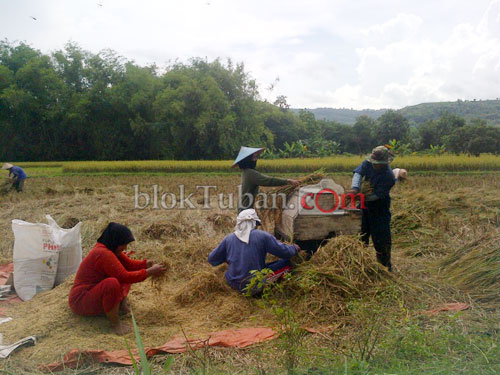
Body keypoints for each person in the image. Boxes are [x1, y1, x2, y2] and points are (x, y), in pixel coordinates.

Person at [68, 223, 166, 335]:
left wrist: (146, 264)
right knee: (112, 282)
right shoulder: (103, 253)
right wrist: (150, 272)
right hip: (81, 300)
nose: (125, 248)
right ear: (115, 240)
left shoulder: (110, 247)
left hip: (92, 291)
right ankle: (115, 324)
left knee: (120, 273)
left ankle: (120, 305)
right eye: (123, 244)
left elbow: (129, 264)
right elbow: (125, 276)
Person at [208, 209, 300, 295]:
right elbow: (284, 252)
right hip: (253, 286)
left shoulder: (229, 238)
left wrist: (228, 258)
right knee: (286, 263)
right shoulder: (262, 236)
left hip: (233, 284)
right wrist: (295, 248)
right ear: (254, 223)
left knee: (264, 267)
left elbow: (212, 259)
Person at [347, 146, 396, 271]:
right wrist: (355, 188)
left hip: (379, 210)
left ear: (385, 163)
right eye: (374, 163)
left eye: (378, 164)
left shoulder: (388, 177)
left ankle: (385, 268)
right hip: (363, 208)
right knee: (360, 238)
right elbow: (358, 173)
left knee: (381, 241)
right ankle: (360, 266)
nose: (375, 165)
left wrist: (361, 197)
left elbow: (376, 196)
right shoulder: (368, 163)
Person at [233, 146, 299, 212]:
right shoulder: (250, 173)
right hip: (245, 212)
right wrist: (287, 181)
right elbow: (268, 180)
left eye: (256, 157)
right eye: (254, 157)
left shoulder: (246, 172)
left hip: (244, 209)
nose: (256, 160)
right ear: (247, 159)